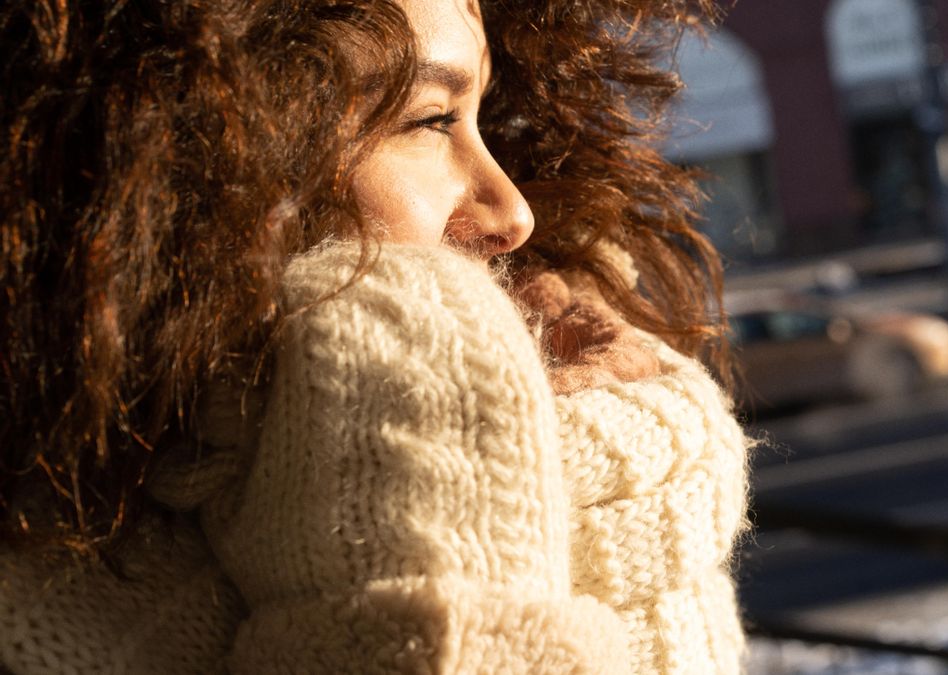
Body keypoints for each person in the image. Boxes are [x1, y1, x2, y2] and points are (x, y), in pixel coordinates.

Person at [0, 0, 751, 672]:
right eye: (432, 120)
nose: (513, 212)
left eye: (486, 119)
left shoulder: (628, 453)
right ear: (201, 150)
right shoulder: (40, 608)